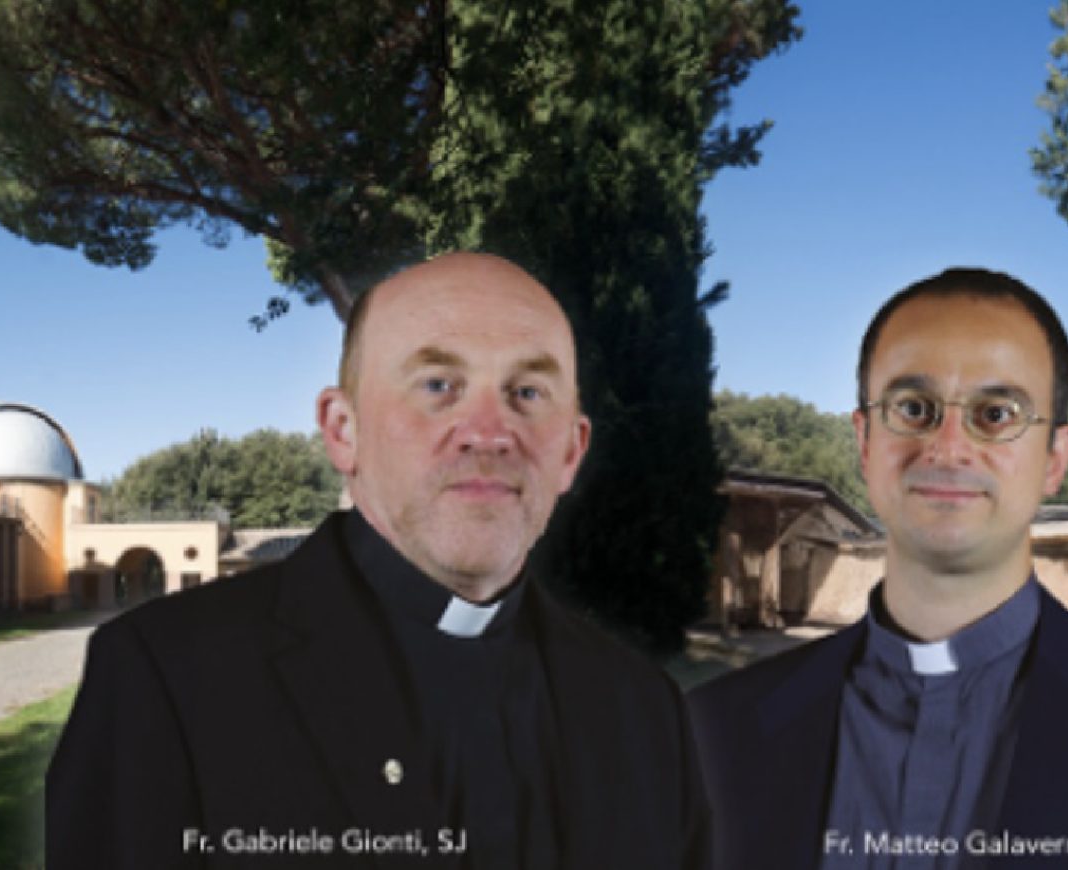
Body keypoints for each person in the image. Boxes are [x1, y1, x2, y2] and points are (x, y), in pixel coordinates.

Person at [47, 252, 709, 868]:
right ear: (344, 431)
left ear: (571, 451)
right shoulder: (162, 678)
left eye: (529, 393)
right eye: (438, 384)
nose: (488, 434)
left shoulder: (647, 711)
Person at [689, 268, 1068, 869]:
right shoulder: (706, 732)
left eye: (997, 413)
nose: (948, 447)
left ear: (1055, 459)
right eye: (913, 408)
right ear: (865, 442)